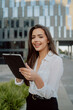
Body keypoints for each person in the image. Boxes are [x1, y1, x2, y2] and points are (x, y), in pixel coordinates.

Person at [15, 24, 63, 110]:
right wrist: (18, 74)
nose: (36, 40)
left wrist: (36, 77)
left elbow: (49, 94)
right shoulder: (32, 59)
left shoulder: (56, 60)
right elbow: (19, 83)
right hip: (31, 101)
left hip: (47, 105)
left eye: (40, 37)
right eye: (33, 37)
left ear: (48, 39)